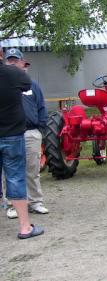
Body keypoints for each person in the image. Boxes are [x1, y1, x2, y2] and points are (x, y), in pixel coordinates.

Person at [0, 49, 44, 239]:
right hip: (12, 135)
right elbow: (26, 83)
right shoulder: (14, 74)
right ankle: (25, 227)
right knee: (16, 178)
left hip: (18, 134)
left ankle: (33, 204)